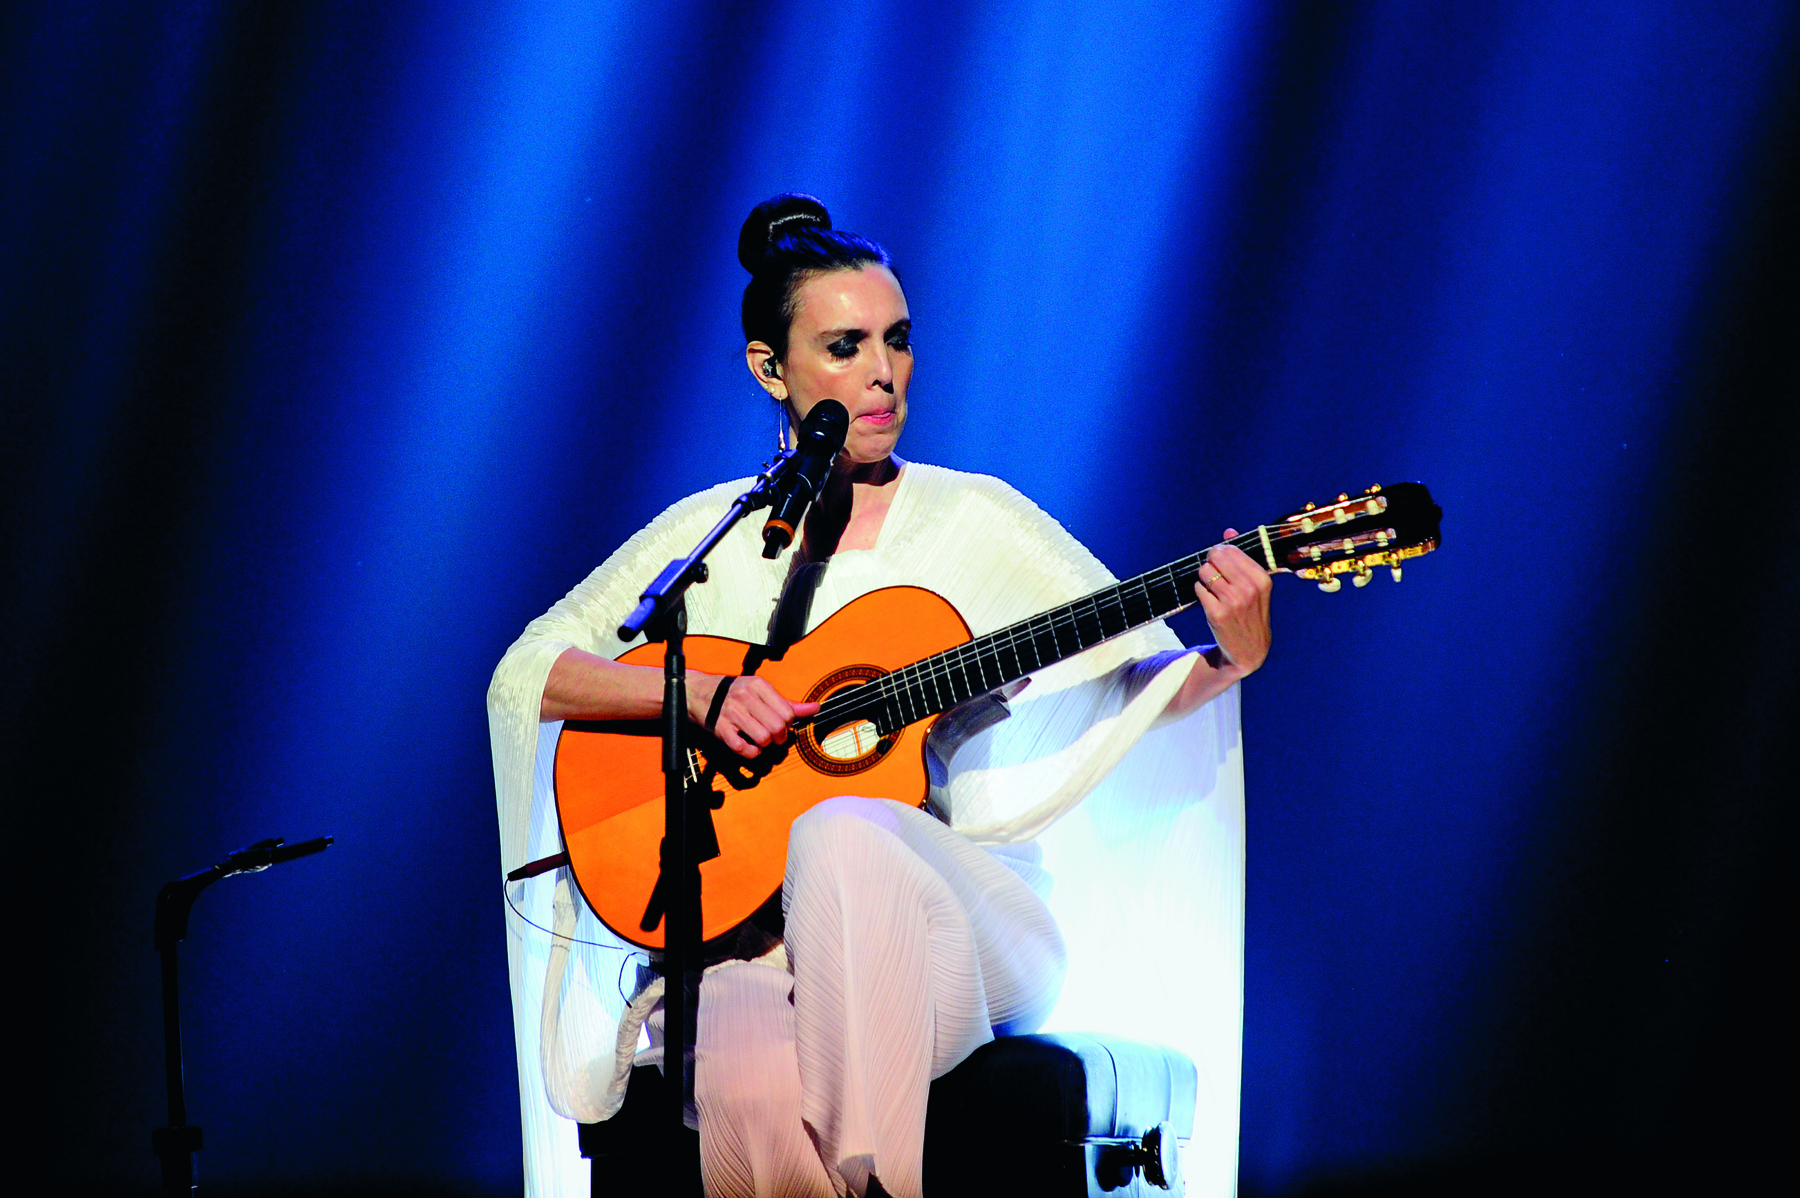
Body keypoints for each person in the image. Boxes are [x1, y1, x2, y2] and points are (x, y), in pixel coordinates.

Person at [488, 195, 1270, 1198]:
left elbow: (1137, 678)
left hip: (966, 928)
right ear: (771, 370)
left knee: (843, 828)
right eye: (845, 346)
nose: (882, 374)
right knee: (733, 1036)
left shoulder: (976, 522)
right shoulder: (712, 538)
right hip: (763, 939)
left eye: (896, 341)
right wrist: (700, 698)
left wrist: (1230, 655)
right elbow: (526, 674)